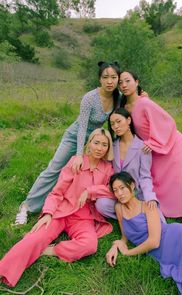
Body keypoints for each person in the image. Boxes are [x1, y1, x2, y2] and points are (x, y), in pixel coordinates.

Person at [0, 128, 115, 287]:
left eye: (104, 145)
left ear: (108, 148)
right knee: (34, 237)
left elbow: (112, 190)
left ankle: (50, 250)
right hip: (61, 211)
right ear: (89, 143)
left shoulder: (108, 169)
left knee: (90, 245)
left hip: (83, 217)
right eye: (96, 143)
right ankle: (4, 271)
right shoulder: (76, 161)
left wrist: (90, 191)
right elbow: (57, 192)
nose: (99, 148)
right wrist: (48, 213)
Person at [15, 61, 121, 225]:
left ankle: (70, 206)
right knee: (54, 168)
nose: (109, 81)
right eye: (105, 77)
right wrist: (79, 154)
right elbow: (82, 127)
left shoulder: (118, 97)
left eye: (113, 77)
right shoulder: (90, 98)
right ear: (99, 79)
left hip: (95, 139)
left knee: (82, 173)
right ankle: (27, 206)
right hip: (75, 136)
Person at [119, 71, 182, 237]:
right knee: (161, 181)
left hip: (171, 144)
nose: (124, 85)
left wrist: (153, 142)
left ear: (136, 82)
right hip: (152, 149)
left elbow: (167, 122)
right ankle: (168, 212)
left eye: (127, 81)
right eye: (121, 83)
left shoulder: (144, 102)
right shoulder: (125, 107)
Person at [95, 108, 165, 223]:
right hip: (119, 195)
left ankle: (133, 216)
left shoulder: (143, 147)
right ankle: (132, 217)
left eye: (118, 121)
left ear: (128, 120)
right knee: (101, 205)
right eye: (112, 124)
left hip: (137, 195)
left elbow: (145, 176)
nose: (115, 126)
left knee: (159, 222)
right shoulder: (112, 146)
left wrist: (150, 197)